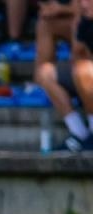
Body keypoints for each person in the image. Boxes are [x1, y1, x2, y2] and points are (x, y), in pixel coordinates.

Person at [34, 0, 93, 151]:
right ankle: (80, 133)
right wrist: (76, 25)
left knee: (84, 70)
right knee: (45, 73)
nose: (83, 5)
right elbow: (78, 54)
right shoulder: (85, 23)